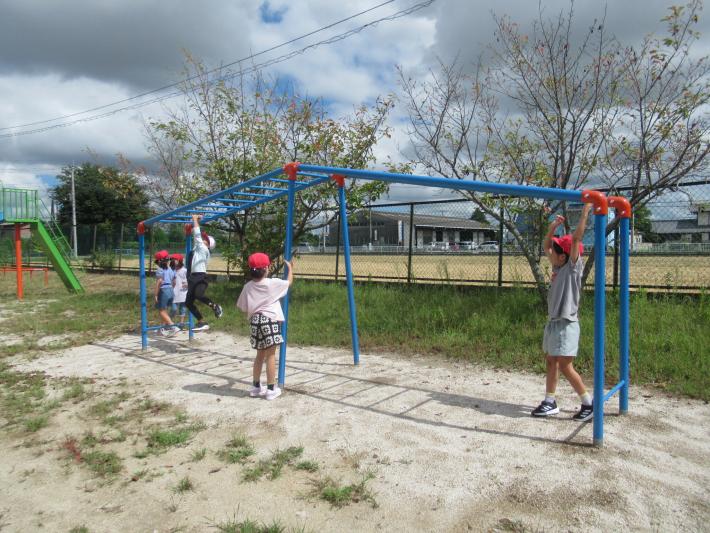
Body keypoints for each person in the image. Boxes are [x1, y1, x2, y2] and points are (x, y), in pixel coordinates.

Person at [532, 203, 594, 421]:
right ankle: (550, 401)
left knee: (566, 366)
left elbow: (576, 239)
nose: (551, 252)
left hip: (567, 324)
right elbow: (547, 245)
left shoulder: (572, 269)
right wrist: (553, 228)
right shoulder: (558, 267)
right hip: (554, 323)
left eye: (557, 251)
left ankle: (589, 403)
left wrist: (585, 212)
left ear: (564, 256)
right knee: (551, 361)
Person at [236, 253, 294, 401]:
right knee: (271, 355)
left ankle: (256, 387)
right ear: (267, 268)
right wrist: (291, 269)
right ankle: (270, 389)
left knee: (259, 355)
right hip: (269, 320)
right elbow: (288, 283)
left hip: (255, 320)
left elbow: (242, 306)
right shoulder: (271, 283)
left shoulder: (247, 286)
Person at [185, 214, 223, 331]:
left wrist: (195, 219)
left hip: (200, 276)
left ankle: (215, 306)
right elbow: (195, 235)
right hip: (194, 276)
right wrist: (188, 229)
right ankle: (201, 321)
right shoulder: (199, 249)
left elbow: (196, 233)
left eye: (204, 239)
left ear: (207, 243)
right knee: (188, 302)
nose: (201, 239)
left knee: (199, 295)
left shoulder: (202, 248)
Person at [153, 249, 179, 337]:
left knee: (162, 311)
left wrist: (156, 294)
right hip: (171, 289)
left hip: (163, 290)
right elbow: (174, 281)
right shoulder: (171, 269)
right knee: (173, 309)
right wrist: (171, 288)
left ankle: (172, 326)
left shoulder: (160, 269)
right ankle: (161, 329)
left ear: (159, 261)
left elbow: (159, 282)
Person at [170, 253, 188, 329]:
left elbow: (189, 280)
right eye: (172, 259)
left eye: (175, 259)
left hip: (183, 292)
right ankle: (169, 322)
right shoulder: (171, 270)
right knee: (174, 309)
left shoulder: (184, 270)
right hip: (174, 292)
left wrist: (187, 284)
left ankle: (181, 324)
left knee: (183, 308)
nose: (173, 261)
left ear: (179, 261)